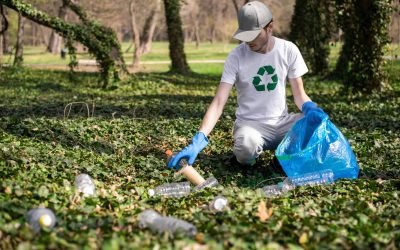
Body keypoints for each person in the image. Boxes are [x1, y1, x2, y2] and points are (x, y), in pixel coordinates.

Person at [167, 1, 327, 170]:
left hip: (282, 123)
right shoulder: (236, 56)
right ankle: (247, 159)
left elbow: (299, 94)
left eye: (254, 34)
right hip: (250, 126)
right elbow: (219, 101)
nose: (248, 40)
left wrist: (310, 108)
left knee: (314, 125)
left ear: (269, 27)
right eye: (245, 34)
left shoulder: (288, 50)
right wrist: (199, 138)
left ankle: (281, 160)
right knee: (245, 147)